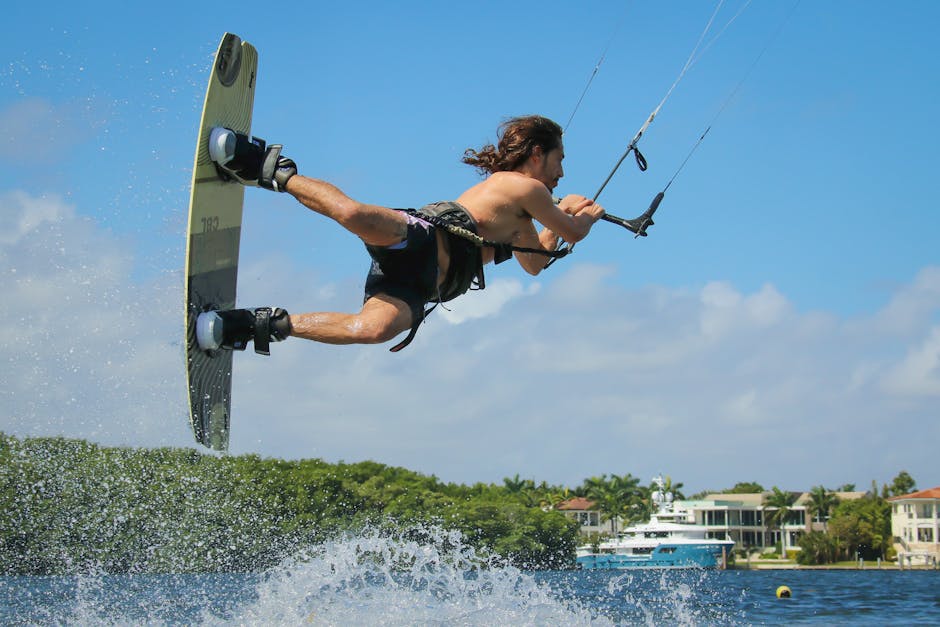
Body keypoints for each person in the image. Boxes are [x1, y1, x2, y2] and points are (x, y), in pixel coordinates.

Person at [195, 115, 606, 354]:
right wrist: (581, 216)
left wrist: (561, 226)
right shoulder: (524, 187)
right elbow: (572, 231)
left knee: (369, 331)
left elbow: (534, 262)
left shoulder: (523, 219)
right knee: (351, 212)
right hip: (422, 238)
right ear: (537, 154)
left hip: (422, 284)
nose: (561, 173)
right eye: (559, 160)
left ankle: (251, 324)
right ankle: (259, 165)